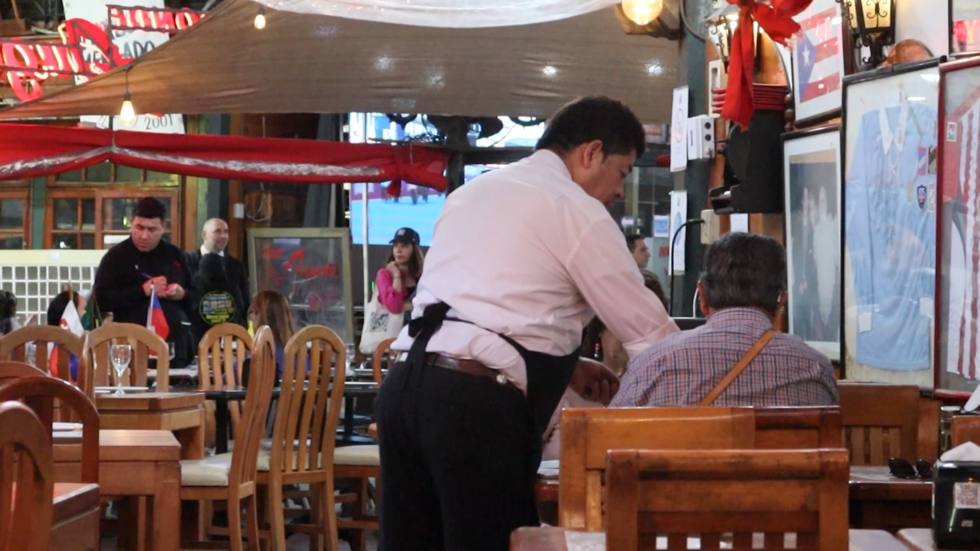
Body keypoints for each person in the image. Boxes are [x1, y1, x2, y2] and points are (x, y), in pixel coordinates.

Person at [376, 96, 678, 551]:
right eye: (623, 171)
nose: (620, 191)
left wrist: (571, 364)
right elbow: (652, 339)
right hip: (471, 409)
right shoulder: (574, 207)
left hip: (402, 393)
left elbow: (478, 303)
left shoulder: (474, 191)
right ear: (591, 152)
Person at [610, 232, 838, 408]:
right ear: (780, 303)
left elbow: (606, 438)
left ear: (703, 297)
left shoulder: (653, 364)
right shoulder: (815, 368)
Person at [93, 198, 195, 368]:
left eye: (152, 229)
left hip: (174, 347)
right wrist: (143, 291)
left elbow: (196, 297)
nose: (144, 236)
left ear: (163, 227)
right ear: (131, 223)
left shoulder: (175, 255)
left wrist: (182, 294)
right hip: (130, 348)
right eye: (139, 228)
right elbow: (101, 299)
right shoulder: (116, 256)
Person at [185, 218, 250, 314]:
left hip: (230, 325)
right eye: (217, 231)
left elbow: (245, 300)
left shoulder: (236, 265)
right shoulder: (187, 260)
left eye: (226, 232)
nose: (223, 236)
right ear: (204, 235)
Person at [189, 253, 248, 346]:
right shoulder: (232, 288)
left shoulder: (196, 288)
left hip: (200, 344)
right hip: (230, 344)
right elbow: (241, 309)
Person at [375, 227, 424, 325]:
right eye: (395, 246)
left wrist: (411, 305)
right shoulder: (384, 275)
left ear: (414, 249)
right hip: (392, 336)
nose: (398, 250)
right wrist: (396, 275)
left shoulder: (422, 275)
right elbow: (394, 307)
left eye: (404, 246)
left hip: (417, 332)